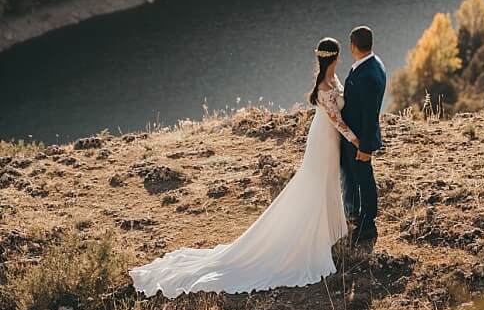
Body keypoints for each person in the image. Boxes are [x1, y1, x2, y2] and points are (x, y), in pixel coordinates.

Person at [129, 37, 358, 296]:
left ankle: (329, 230)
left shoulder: (331, 80)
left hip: (329, 140)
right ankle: (309, 237)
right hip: (324, 139)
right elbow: (335, 119)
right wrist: (355, 139)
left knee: (327, 182)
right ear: (335, 57)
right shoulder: (325, 87)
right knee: (314, 184)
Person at [339, 25, 386, 246]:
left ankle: (367, 226)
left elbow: (369, 115)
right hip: (355, 138)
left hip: (359, 140)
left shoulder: (367, 75)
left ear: (352, 46)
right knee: (357, 178)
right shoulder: (372, 65)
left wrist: (365, 148)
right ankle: (357, 216)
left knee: (364, 180)